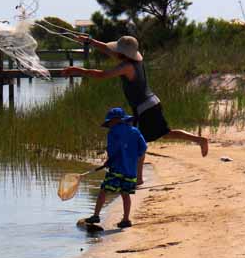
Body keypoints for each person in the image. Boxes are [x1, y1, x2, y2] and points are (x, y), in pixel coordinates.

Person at [63, 35, 209, 163]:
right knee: (163, 134)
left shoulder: (127, 66)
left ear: (122, 53)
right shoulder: (133, 61)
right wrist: (89, 41)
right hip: (150, 104)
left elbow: (102, 75)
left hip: (145, 107)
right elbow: (107, 50)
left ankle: (138, 178)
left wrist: (78, 70)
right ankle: (199, 140)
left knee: (139, 140)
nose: (114, 52)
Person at [84, 107, 146, 230]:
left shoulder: (113, 132)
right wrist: (132, 156)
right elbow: (143, 148)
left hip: (117, 169)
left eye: (110, 122)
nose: (110, 125)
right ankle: (126, 219)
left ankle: (96, 215)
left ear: (116, 120)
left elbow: (112, 150)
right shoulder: (135, 131)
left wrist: (109, 161)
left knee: (104, 190)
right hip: (130, 170)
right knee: (125, 194)